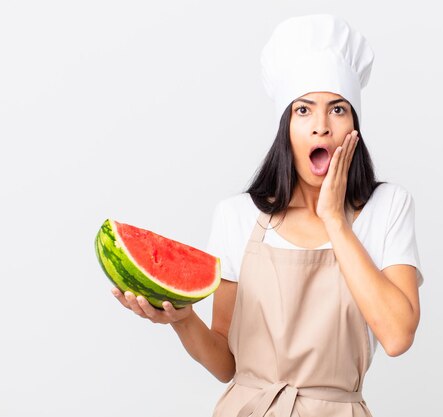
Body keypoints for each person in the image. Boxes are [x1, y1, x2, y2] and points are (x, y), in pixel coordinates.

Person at [111, 14, 423, 417]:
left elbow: (397, 335)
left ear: (354, 126)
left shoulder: (388, 208)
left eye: (338, 109)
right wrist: (184, 321)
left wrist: (334, 220)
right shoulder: (237, 216)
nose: (321, 128)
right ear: (285, 126)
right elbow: (227, 365)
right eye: (304, 110)